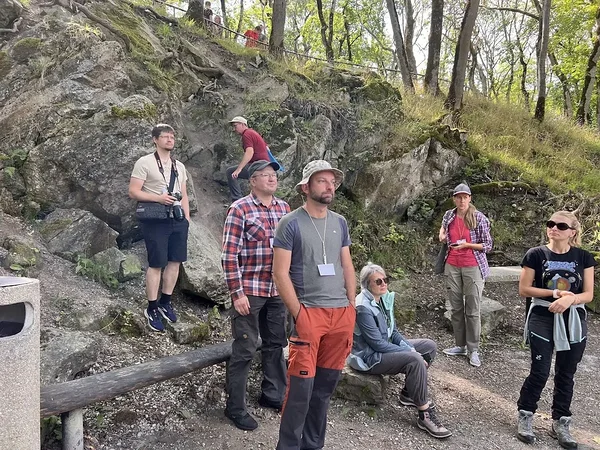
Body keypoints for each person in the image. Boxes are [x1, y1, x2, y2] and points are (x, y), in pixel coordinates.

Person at [273, 160, 356, 450]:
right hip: (309, 314)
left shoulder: (340, 222)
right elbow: (279, 273)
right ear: (306, 187)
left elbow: (347, 265)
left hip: (341, 316)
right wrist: (299, 313)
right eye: (322, 181)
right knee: (300, 391)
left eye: (332, 181)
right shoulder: (290, 223)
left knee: (323, 391)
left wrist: (351, 306)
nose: (329, 186)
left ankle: (313, 445)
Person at [516, 211, 596, 448]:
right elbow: (524, 289)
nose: (554, 228)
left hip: (573, 319)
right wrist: (555, 294)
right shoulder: (535, 254)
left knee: (566, 371)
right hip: (542, 316)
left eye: (561, 225)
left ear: (572, 232)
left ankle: (561, 421)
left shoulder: (583, 257)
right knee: (540, 370)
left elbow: (588, 295)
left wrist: (570, 300)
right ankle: (525, 415)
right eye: (550, 223)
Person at [221, 160, 291, 431]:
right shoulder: (240, 209)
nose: (271, 179)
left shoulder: (284, 208)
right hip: (249, 291)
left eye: (274, 175)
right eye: (265, 175)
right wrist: (236, 293)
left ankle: (272, 395)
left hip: (277, 290)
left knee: (276, 344)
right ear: (252, 181)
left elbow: (290, 251)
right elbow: (229, 255)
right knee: (245, 349)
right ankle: (235, 407)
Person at [348, 263, 451, 439]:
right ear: (366, 284)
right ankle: (424, 414)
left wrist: (410, 348)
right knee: (415, 360)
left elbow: (393, 332)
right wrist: (412, 353)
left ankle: (408, 394)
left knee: (429, 346)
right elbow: (378, 344)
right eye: (378, 281)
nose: (383, 284)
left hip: (383, 347)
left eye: (385, 279)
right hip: (369, 357)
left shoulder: (382, 298)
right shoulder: (363, 307)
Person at [129, 124, 190, 332]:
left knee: (175, 262)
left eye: (172, 136)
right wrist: (159, 198)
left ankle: (166, 302)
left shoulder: (179, 166)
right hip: (155, 219)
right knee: (156, 263)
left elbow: (184, 193)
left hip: (177, 218)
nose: (170, 139)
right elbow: (134, 191)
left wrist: (187, 219)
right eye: (165, 136)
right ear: (155, 139)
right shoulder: (144, 162)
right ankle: (152, 307)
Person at [438, 183, 492, 367]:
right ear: (454, 198)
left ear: (470, 198)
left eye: (465, 197)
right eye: (458, 197)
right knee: (455, 308)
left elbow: (487, 245)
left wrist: (467, 245)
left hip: (473, 266)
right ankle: (459, 345)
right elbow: (443, 228)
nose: (461, 200)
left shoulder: (479, 218)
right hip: (452, 264)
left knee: (472, 309)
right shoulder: (449, 215)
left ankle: (473, 349)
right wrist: (442, 235)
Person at [226, 116, 270, 202]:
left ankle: (237, 200)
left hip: (257, 165)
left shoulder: (247, 134)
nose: (234, 129)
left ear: (243, 124)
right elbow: (267, 149)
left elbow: (249, 152)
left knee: (230, 172)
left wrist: (239, 169)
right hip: (266, 165)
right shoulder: (254, 133)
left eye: (235, 126)